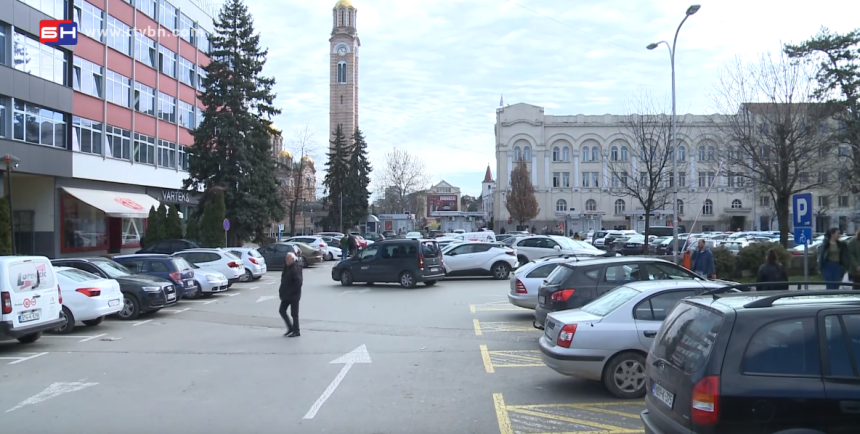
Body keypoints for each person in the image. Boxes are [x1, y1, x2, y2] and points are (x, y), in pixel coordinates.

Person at [279, 252, 303, 337]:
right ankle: (290, 328)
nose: (286, 260)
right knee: (282, 310)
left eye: (288, 259)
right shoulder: (287, 267)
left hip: (293, 295)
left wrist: (291, 292)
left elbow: (298, 283)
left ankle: (296, 331)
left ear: (292, 260)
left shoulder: (296, 268)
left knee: (294, 314)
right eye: (286, 258)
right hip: (286, 295)